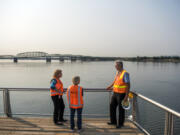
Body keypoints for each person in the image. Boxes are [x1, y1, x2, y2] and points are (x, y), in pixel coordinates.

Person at [106, 60, 130, 128]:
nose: (115, 66)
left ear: (120, 66)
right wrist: (110, 86)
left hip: (122, 94)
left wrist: (126, 96)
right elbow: (115, 81)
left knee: (121, 109)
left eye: (116, 65)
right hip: (115, 93)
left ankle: (120, 124)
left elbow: (128, 85)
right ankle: (113, 122)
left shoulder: (125, 73)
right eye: (115, 65)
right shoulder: (118, 72)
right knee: (112, 106)